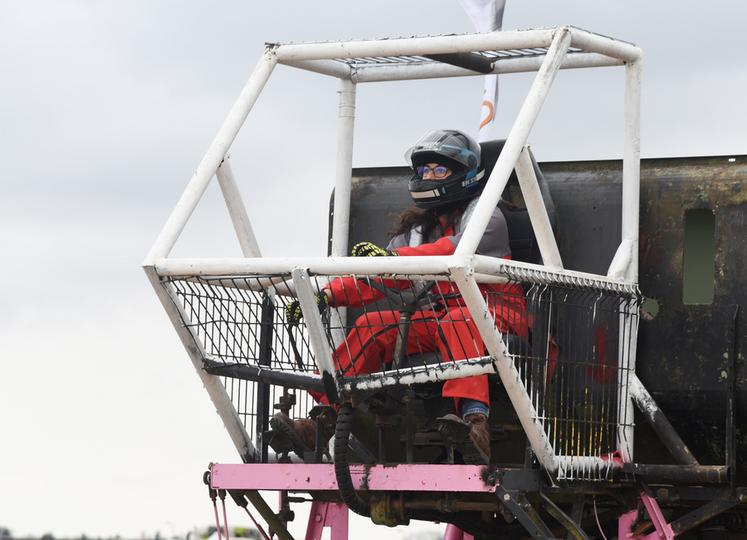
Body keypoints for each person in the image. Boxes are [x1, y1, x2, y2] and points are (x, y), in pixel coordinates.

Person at [272, 129, 528, 464]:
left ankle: (474, 422)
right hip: (443, 318)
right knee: (371, 325)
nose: (428, 177)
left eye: (439, 170)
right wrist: (326, 296)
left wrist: (397, 261)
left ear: (466, 174)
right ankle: (322, 417)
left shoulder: (487, 218)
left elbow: (450, 254)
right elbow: (380, 278)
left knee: (460, 319)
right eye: (424, 171)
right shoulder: (414, 232)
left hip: (498, 314)